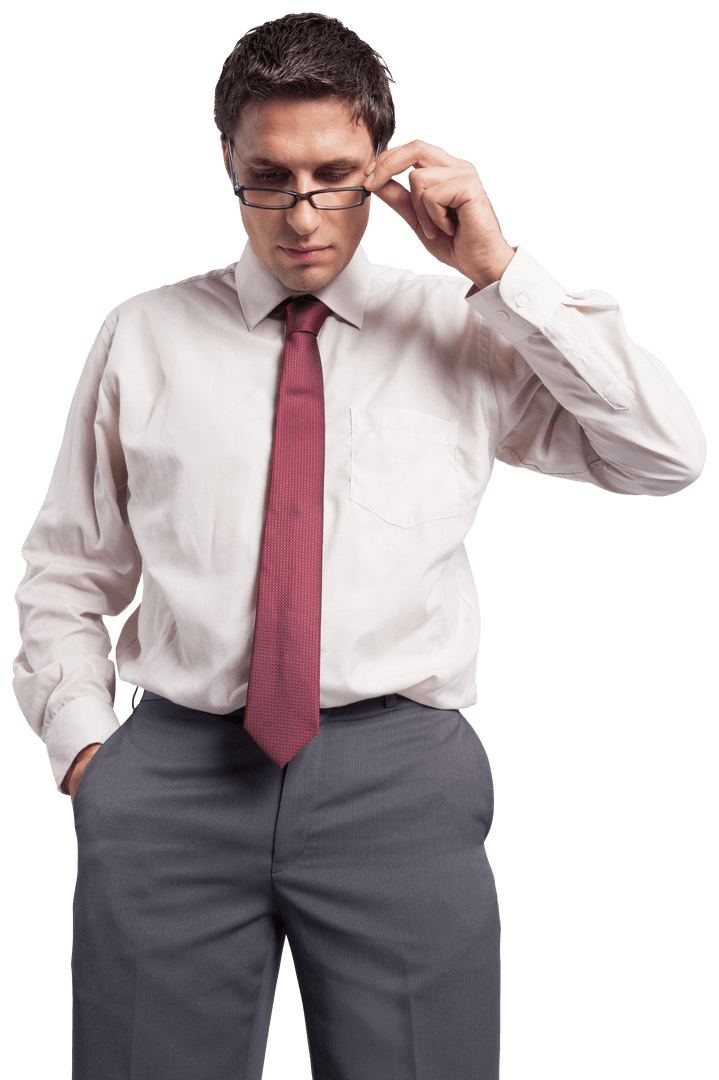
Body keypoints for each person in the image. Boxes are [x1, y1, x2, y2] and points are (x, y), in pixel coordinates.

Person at [11, 11, 706, 1080]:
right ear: (228, 167)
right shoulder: (141, 333)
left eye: (332, 174)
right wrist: (87, 753)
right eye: (267, 176)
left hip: (400, 782)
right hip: (173, 778)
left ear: (381, 168)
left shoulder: (465, 328)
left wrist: (500, 271)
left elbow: (662, 456)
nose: (300, 213)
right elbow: (66, 568)